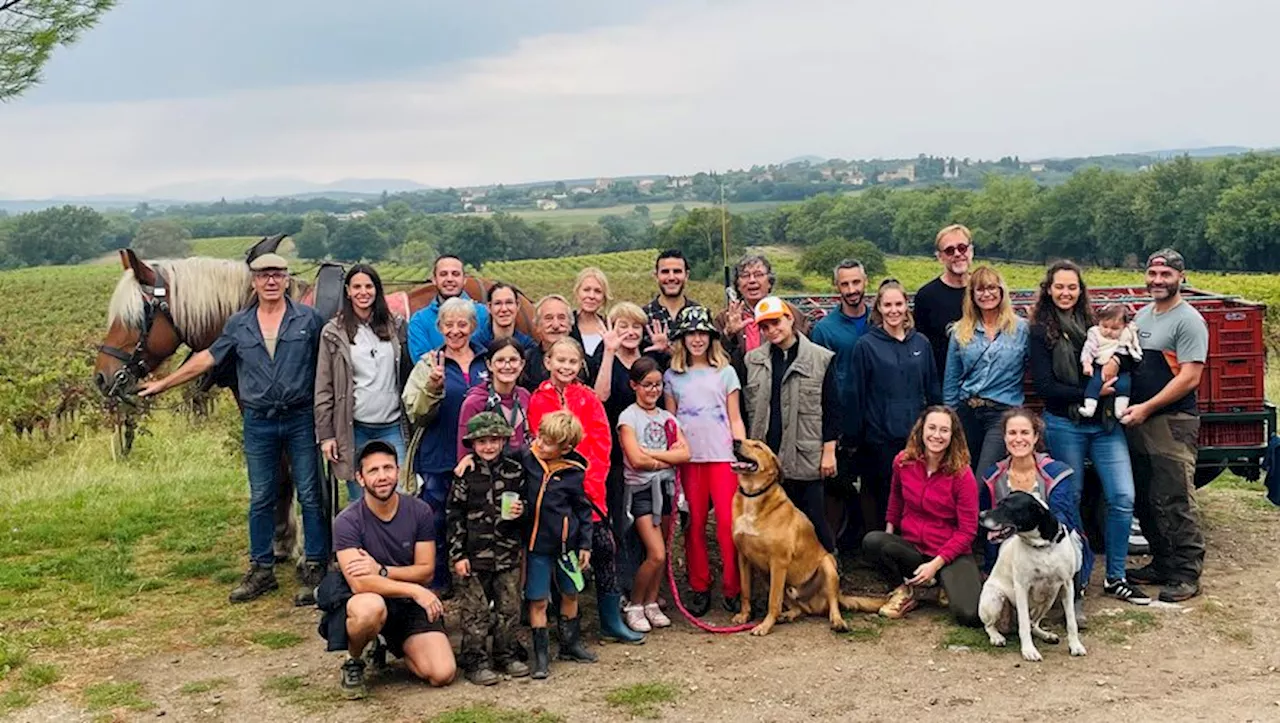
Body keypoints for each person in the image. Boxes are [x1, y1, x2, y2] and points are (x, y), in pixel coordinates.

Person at [137, 252, 328, 605]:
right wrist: (165, 383)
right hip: (259, 422)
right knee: (261, 497)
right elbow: (207, 358)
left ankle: (316, 566)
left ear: (286, 279)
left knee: (311, 493)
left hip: (300, 417)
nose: (271, 281)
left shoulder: (309, 319)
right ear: (253, 282)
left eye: (277, 275)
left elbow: (329, 363)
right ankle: (261, 569)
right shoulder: (238, 324)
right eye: (263, 276)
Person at [1028, 260, 1149, 605]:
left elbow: (1126, 358)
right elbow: (1045, 386)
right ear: (1048, 289)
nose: (1065, 293)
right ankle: (1075, 578)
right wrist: (1090, 393)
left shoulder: (1099, 325)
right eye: (1059, 286)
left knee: (1123, 497)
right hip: (1065, 422)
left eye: (1072, 287)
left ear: (1081, 290)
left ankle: (1116, 576)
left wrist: (1115, 368)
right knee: (1071, 498)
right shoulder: (1040, 329)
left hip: (1105, 425)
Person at [328, 440, 455, 698]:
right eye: (373, 471)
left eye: (388, 468)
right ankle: (354, 660)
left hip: (408, 605)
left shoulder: (419, 511)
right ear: (359, 478)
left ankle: (393, 644)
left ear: (398, 471)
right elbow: (359, 584)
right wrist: (414, 590)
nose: (382, 476)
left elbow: (426, 570)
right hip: (372, 599)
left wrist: (381, 570)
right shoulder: (347, 521)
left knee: (443, 674)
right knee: (369, 608)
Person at [527, 339, 629, 644]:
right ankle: (562, 628)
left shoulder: (588, 398)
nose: (566, 367)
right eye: (560, 360)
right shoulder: (537, 399)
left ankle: (611, 619)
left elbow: (602, 443)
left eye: (572, 362)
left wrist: (589, 483)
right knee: (559, 558)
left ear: (580, 365)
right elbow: (538, 442)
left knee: (603, 548)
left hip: (588, 491)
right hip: (552, 494)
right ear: (548, 361)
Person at [1121, 249, 1208, 603]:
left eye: (1166, 275)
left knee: (1175, 498)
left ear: (1180, 277)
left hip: (1171, 422)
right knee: (1146, 497)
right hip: (1141, 421)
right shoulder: (1143, 315)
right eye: (1153, 273)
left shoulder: (1188, 320)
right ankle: (1161, 562)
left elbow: (1189, 377)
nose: (1158, 280)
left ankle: (1187, 574)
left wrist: (1147, 407)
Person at [861, 406, 980, 626]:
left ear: (952, 436)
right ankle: (906, 589)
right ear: (921, 430)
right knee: (873, 541)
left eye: (944, 430)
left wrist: (935, 564)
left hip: (949, 552)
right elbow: (896, 499)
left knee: (969, 614)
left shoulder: (962, 475)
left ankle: (936, 588)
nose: (936, 435)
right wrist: (889, 539)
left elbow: (968, 530)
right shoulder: (903, 462)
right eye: (932, 428)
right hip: (913, 547)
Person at [663, 306, 746, 615]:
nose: (696, 339)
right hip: (689, 458)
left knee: (727, 524)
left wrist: (740, 451)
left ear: (711, 337)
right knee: (694, 524)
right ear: (682, 339)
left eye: (702, 333)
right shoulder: (673, 375)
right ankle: (699, 585)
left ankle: (733, 586)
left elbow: (734, 416)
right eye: (690, 334)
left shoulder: (726, 372)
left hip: (722, 457)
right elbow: (671, 419)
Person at [403, 297, 489, 593]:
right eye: (448, 325)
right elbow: (415, 412)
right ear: (439, 328)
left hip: (480, 458)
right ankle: (439, 582)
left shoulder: (487, 360)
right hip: (438, 455)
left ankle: (475, 585)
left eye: (462, 324)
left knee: (476, 521)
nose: (455, 331)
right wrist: (432, 388)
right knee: (436, 521)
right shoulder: (428, 363)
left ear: (473, 327)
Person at [980, 409, 1097, 625]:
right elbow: (990, 524)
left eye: (1025, 433)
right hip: (1012, 544)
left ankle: (1073, 594)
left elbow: (1064, 518)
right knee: (1009, 544)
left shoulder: (1057, 472)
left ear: (1035, 437)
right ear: (1004, 438)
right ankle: (1013, 597)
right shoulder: (992, 476)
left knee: (1071, 540)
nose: (1018, 439)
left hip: (1052, 538)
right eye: (1012, 433)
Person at [743, 296, 839, 552]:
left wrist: (828, 452)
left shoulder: (821, 358)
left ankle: (828, 569)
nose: (771, 330)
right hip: (766, 457)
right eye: (764, 326)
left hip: (803, 453)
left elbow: (831, 408)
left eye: (776, 322)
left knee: (813, 519)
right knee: (769, 523)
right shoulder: (752, 361)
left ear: (789, 318)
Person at [849, 278, 942, 539]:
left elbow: (932, 387)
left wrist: (936, 426)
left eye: (898, 304)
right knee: (884, 494)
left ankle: (916, 543)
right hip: (880, 437)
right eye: (887, 304)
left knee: (918, 492)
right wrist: (855, 436)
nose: (893, 310)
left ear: (906, 306)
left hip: (916, 435)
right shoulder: (866, 346)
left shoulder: (921, 344)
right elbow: (856, 394)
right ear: (878, 307)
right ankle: (884, 547)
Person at [315, 264, 412, 505]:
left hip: (392, 426)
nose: (363, 292)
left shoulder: (396, 327)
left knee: (397, 495)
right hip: (354, 429)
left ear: (377, 291)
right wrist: (327, 435)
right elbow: (324, 386)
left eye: (369, 286)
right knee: (362, 500)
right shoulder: (333, 332)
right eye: (357, 286)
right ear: (347, 291)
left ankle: (396, 544)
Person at [448, 412, 530, 685]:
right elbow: (454, 516)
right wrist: (457, 555)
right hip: (472, 556)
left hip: (506, 553)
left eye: (494, 440)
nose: (488, 446)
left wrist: (522, 510)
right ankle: (475, 660)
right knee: (475, 612)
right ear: (472, 444)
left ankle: (505, 655)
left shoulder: (514, 470)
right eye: (482, 441)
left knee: (509, 608)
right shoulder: (465, 473)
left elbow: (528, 506)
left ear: (504, 440)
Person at [593, 301, 665, 608]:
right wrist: (609, 353)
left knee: (650, 522)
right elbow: (600, 396)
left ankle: (646, 589)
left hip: (651, 454)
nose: (630, 332)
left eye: (636, 326)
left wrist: (663, 353)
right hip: (618, 456)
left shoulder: (650, 359)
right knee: (622, 522)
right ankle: (623, 590)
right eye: (623, 326)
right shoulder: (604, 356)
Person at [518, 411, 597, 679]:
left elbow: (583, 511)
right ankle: (541, 655)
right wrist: (470, 457)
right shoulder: (526, 458)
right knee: (538, 599)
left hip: (567, 547)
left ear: (566, 448)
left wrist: (585, 544)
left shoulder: (574, 472)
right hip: (535, 545)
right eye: (540, 437)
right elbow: (494, 455)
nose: (540, 443)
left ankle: (570, 644)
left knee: (570, 593)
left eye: (548, 442)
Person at [617, 358, 690, 633]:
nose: (653, 390)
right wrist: (666, 459)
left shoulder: (667, 418)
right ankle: (634, 603)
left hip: (667, 490)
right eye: (647, 385)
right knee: (655, 553)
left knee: (665, 551)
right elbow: (635, 459)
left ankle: (651, 602)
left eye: (658, 385)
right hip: (642, 492)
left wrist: (654, 456)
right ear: (634, 385)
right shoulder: (628, 417)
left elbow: (685, 453)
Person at [808, 258, 871, 549]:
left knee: (874, 486)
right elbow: (819, 382)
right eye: (845, 284)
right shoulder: (825, 329)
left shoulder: (879, 321)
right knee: (836, 489)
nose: (851, 289)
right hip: (842, 422)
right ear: (837, 288)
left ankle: (869, 544)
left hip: (876, 417)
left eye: (855, 282)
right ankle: (832, 548)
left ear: (865, 282)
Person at [943, 265, 1028, 477]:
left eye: (992, 287)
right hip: (968, 410)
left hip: (1002, 411)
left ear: (1001, 291)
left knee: (984, 476)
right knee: (962, 475)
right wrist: (950, 418)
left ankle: (982, 511)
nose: (987, 294)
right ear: (972, 295)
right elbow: (952, 378)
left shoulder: (1021, 329)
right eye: (980, 289)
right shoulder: (960, 331)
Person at [715, 254, 810, 371]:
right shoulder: (725, 317)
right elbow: (713, 357)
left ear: (769, 282)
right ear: (738, 285)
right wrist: (728, 334)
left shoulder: (789, 312)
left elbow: (808, 351)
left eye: (758, 275)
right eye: (745, 276)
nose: (752, 280)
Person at [456, 337, 532, 459]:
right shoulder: (474, 402)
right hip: (488, 472)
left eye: (513, 360)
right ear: (489, 365)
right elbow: (464, 448)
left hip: (522, 469)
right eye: (500, 360)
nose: (507, 366)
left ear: (522, 364)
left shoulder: (525, 396)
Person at [914, 224, 974, 376]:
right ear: (940, 257)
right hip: (943, 382)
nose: (957, 254)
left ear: (971, 251)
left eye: (962, 248)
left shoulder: (985, 292)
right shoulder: (927, 296)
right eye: (949, 250)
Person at [407, 255, 491, 362]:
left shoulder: (483, 314)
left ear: (464, 279)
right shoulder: (419, 321)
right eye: (443, 274)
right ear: (434, 280)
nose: (449, 279)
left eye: (455, 274)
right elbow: (422, 364)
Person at [1080, 304, 1142, 419]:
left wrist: (1118, 359)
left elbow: (1132, 350)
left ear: (1124, 326)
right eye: (1105, 326)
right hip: (1099, 364)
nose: (1108, 331)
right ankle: (1090, 407)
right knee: (1095, 383)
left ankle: (1121, 411)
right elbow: (1088, 349)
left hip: (1122, 369)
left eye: (1114, 328)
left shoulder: (1128, 334)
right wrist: (1087, 364)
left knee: (1124, 385)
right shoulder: (1095, 334)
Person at [521, 294, 578, 390]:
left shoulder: (584, 363)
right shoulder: (525, 363)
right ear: (537, 326)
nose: (555, 325)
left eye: (561, 318)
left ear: (570, 325)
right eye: (548, 318)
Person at [643, 249, 702, 335]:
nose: (671, 277)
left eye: (677, 271)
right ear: (656, 276)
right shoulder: (644, 316)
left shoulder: (700, 314)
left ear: (686, 275)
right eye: (665, 272)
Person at [473, 281, 535, 350]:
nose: (504, 309)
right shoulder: (475, 345)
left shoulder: (528, 346)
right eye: (498, 303)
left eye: (509, 302)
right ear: (489, 307)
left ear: (517, 305)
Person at [568, 267, 611, 360]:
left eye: (598, 291)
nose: (591, 296)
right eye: (586, 290)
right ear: (577, 292)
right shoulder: (566, 325)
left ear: (604, 297)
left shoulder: (610, 327)